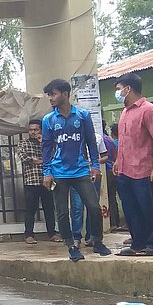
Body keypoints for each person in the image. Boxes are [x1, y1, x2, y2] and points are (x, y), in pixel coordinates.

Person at [41, 79, 110, 262]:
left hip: (80, 171)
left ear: (65, 94)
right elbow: (46, 148)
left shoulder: (82, 115)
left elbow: (90, 142)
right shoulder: (48, 120)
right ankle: (71, 245)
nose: (51, 98)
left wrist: (95, 165)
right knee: (62, 212)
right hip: (58, 173)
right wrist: (47, 172)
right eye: (49, 95)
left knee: (94, 207)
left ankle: (97, 241)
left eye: (53, 94)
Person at [111, 73, 153, 257]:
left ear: (129, 89)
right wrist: (119, 160)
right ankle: (138, 243)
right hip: (126, 170)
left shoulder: (149, 110)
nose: (117, 93)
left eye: (119, 89)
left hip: (144, 169)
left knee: (149, 207)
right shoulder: (125, 112)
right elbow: (125, 140)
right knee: (131, 209)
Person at [18, 119, 58, 244]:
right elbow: (25, 158)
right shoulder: (23, 143)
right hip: (31, 181)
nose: (33, 132)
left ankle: (52, 233)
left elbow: (54, 156)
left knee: (49, 208)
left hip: (47, 181)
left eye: (36, 129)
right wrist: (43, 161)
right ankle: (28, 234)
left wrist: (43, 144)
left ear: (41, 130)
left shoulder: (48, 143)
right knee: (30, 209)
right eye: (31, 130)